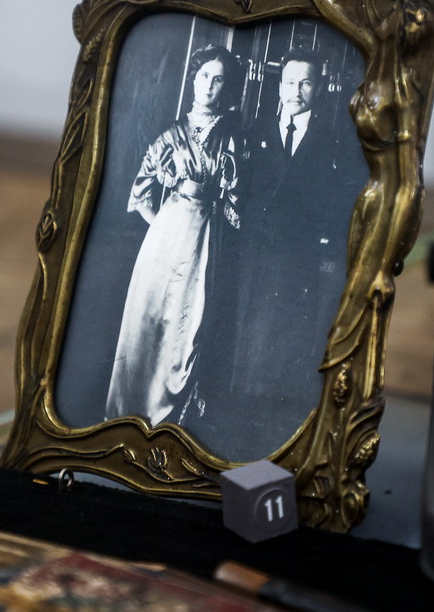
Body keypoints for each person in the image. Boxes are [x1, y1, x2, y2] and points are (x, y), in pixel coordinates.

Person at [226, 48, 366, 436]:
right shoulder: (256, 132)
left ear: (318, 88)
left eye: (305, 83)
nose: (296, 91)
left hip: (299, 255)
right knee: (244, 331)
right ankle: (236, 412)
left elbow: (343, 199)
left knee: (285, 335)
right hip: (253, 251)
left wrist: (325, 245)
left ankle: (273, 417)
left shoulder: (334, 141)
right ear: (280, 86)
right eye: (290, 82)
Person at [104, 45, 243, 427]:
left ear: (225, 86)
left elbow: (236, 202)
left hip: (204, 240)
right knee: (148, 320)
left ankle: (171, 418)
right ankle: (130, 411)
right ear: (193, 80)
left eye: (218, 79)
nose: (209, 86)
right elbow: (140, 194)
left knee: (187, 325)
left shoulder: (230, 138)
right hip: (164, 239)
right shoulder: (170, 136)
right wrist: (164, 229)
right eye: (204, 76)